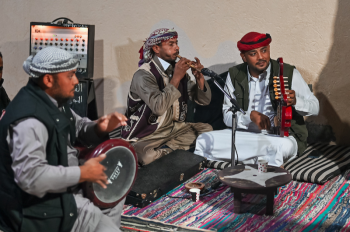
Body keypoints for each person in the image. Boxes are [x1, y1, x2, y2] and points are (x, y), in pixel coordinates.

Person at [0, 47, 128, 232]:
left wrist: (100, 127)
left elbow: (78, 126)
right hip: (38, 209)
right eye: (70, 75)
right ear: (49, 79)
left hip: (64, 185)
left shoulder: (53, 101)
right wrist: (82, 173)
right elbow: (31, 178)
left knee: (113, 187)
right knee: (101, 223)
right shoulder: (29, 121)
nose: (76, 81)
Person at [194, 32, 319, 167]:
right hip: (245, 136)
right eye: (253, 54)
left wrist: (296, 101)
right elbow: (227, 116)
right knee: (203, 140)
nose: (261, 57)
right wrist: (250, 117)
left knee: (281, 147)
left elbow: (315, 108)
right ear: (244, 57)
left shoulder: (287, 72)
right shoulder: (235, 74)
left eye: (264, 50)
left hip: (279, 138)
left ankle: (245, 161)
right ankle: (259, 161)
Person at [111, 28, 212, 165]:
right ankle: (170, 151)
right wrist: (176, 77)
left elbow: (203, 100)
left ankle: (165, 151)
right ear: (156, 48)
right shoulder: (143, 75)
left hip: (172, 129)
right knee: (145, 156)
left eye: (176, 43)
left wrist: (199, 78)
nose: (177, 47)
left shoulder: (178, 71)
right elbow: (159, 108)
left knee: (207, 131)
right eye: (171, 44)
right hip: (147, 133)